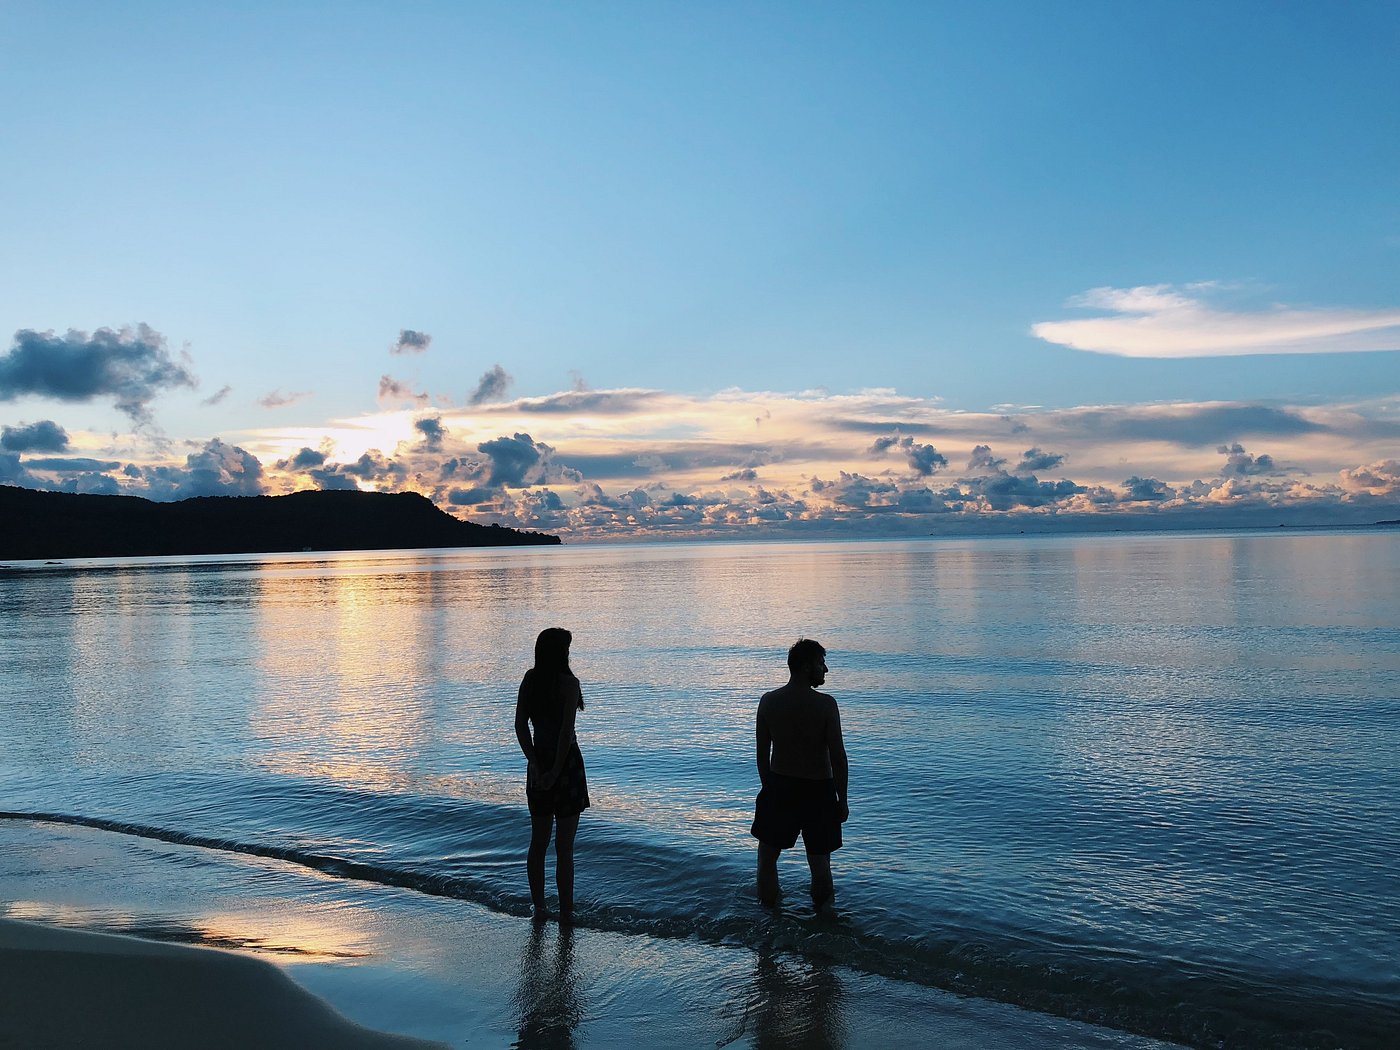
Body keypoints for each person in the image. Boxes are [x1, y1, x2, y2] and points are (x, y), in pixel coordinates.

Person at [751, 638, 849, 910]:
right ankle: (824, 919)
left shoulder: (769, 702)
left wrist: (769, 788)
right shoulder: (826, 705)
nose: (825, 669)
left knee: (767, 859)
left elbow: (762, 755)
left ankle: (768, 917)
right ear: (806, 667)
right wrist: (842, 800)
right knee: (820, 863)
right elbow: (838, 757)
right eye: (821, 663)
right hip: (819, 791)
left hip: (780, 787)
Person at [514, 627, 589, 921]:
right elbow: (565, 733)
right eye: (567, 649)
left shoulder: (531, 680)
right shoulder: (569, 684)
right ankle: (566, 912)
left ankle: (540, 908)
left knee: (539, 842)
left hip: (540, 761)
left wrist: (534, 763)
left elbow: (521, 725)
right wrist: (556, 770)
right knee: (564, 847)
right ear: (561, 653)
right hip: (566, 764)